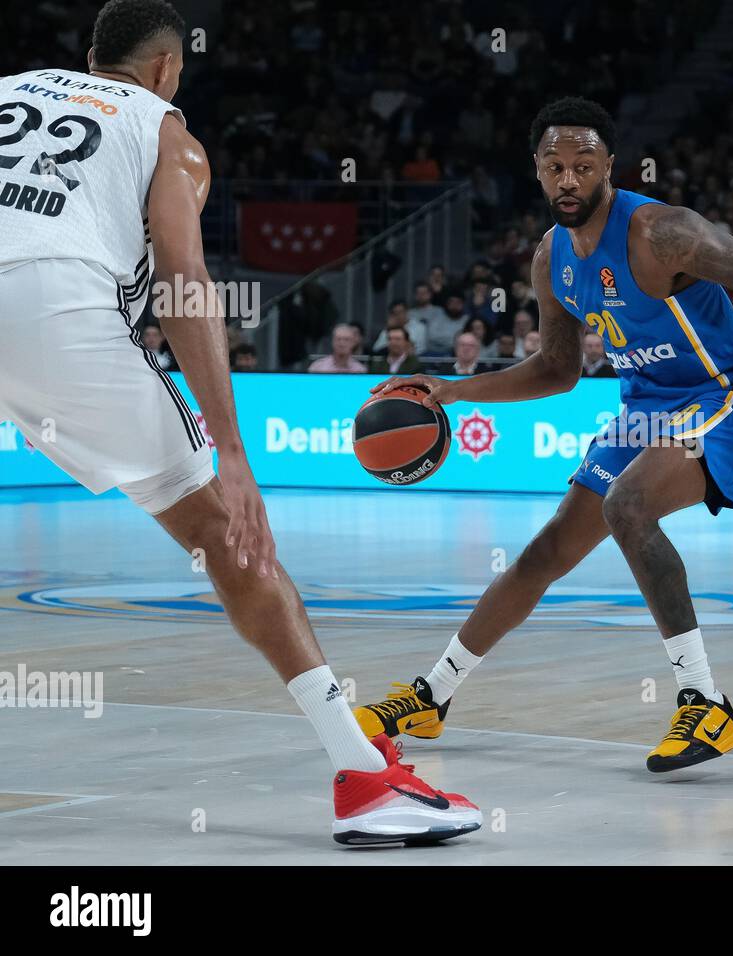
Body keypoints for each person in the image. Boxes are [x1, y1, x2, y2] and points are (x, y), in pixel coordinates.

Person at [0, 0, 477, 844]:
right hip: (58, 307)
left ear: (87, 57)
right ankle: (367, 782)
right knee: (227, 534)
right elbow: (185, 281)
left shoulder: (10, 90)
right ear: (167, 71)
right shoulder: (165, 130)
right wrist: (233, 453)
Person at [355, 96, 733, 773]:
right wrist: (451, 389)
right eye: (554, 166)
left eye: (583, 166)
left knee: (626, 506)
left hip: (731, 397)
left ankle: (704, 701)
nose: (568, 180)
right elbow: (557, 370)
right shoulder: (550, 259)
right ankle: (432, 695)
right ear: (536, 172)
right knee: (545, 553)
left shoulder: (662, 234)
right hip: (649, 408)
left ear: (609, 169)